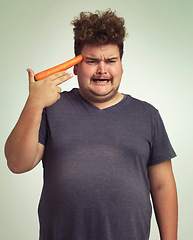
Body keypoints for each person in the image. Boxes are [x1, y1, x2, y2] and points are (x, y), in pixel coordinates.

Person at [4, 9, 178, 240]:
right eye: (92, 61)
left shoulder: (147, 115)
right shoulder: (50, 107)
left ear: (122, 66)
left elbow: (162, 186)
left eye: (111, 61)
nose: (102, 69)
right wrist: (33, 104)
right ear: (76, 67)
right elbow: (17, 163)